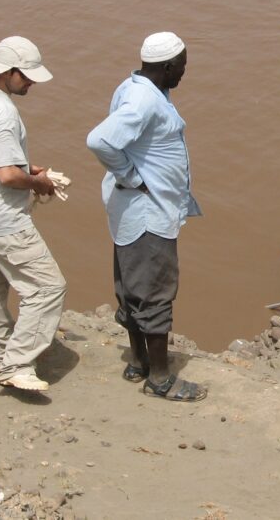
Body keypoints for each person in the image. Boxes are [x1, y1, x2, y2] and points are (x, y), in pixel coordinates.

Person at [86, 31, 206, 403]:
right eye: (182, 67)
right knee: (154, 292)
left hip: (131, 212)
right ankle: (160, 379)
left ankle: (137, 361)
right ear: (168, 66)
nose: (184, 74)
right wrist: (132, 176)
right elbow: (100, 140)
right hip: (148, 213)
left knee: (131, 287)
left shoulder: (134, 87)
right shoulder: (144, 101)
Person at [0, 36, 66, 392]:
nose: (33, 82)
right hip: (4, 219)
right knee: (48, 288)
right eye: (28, 76)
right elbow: (6, 175)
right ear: (7, 72)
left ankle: (3, 351)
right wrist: (40, 183)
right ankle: (17, 364)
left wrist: (28, 167)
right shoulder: (4, 112)